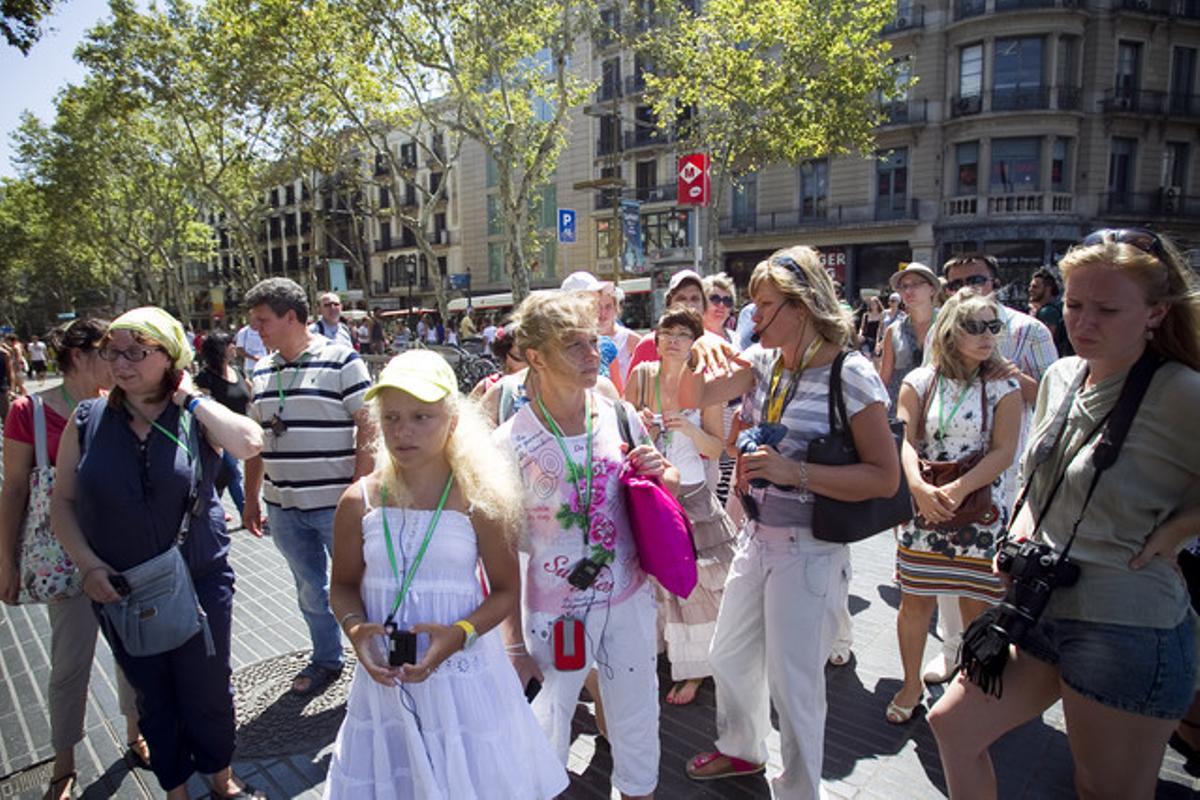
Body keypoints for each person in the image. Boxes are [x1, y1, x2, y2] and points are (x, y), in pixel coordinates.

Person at [929, 228, 1200, 799]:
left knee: (1101, 789)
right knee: (952, 725)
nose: (1083, 322)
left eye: (1107, 309)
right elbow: (1041, 476)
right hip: (1041, 603)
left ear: (1156, 313)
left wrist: (1179, 529)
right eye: (1075, 305)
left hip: (1126, 624)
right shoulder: (1060, 375)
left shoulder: (1180, 391)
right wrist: (1023, 530)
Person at [679, 246, 899, 798]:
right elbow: (689, 395)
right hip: (756, 537)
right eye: (753, 304)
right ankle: (743, 750)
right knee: (728, 653)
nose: (753, 316)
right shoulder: (763, 363)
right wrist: (699, 347)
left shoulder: (851, 374)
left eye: (765, 304)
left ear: (801, 307)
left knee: (794, 682)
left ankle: (800, 790)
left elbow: (885, 477)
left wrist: (793, 472)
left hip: (810, 549)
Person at [325, 351, 567, 799]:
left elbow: (505, 591)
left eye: (421, 416)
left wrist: (459, 634)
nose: (404, 430)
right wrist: (356, 630)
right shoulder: (359, 501)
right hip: (386, 683)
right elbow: (341, 586)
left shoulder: (479, 500)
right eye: (392, 417)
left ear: (452, 421)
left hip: (464, 679)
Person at [49, 307, 264, 800]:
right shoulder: (87, 419)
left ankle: (220, 776)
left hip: (200, 581)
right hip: (122, 588)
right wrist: (88, 565)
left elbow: (250, 443)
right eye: (112, 352)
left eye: (136, 352)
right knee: (152, 695)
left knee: (208, 688)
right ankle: (175, 788)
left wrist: (190, 397)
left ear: (170, 357)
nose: (120, 363)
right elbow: (62, 503)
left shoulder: (194, 415)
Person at [496, 291, 677, 800]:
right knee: (544, 734)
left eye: (593, 341)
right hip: (552, 615)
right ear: (536, 357)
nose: (591, 353)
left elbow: (667, 481)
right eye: (573, 345)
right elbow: (500, 551)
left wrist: (660, 471)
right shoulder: (509, 443)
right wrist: (514, 645)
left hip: (629, 599)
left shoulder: (618, 414)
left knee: (637, 721)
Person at [0, 318, 147, 800]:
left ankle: (136, 733)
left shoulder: (120, 405)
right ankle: (63, 765)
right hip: (63, 560)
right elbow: (14, 489)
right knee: (69, 663)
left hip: (122, 550)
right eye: (109, 352)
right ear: (80, 356)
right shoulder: (29, 411)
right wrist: (5, 560)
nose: (118, 362)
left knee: (132, 652)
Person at [922, 252, 1059, 685]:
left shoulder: (1029, 330)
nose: (966, 287)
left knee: (995, 570)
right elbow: (926, 388)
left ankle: (988, 652)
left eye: (976, 278)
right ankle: (952, 648)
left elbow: (1053, 400)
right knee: (947, 564)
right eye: (955, 282)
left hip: (1008, 472)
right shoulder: (941, 329)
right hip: (946, 471)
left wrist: (1009, 375)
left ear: (995, 283)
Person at [887, 288, 1022, 724]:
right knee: (915, 602)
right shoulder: (919, 381)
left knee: (975, 606)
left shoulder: (1003, 385)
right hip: (925, 508)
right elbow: (905, 441)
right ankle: (910, 685)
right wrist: (917, 488)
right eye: (974, 326)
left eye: (993, 326)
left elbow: (1004, 451)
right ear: (950, 330)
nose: (987, 335)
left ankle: (968, 688)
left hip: (979, 511)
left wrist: (960, 488)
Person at [242, 278, 375, 697]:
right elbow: (255, 439)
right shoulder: (262, 369)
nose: (256, 330)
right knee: (309, 590)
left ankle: (374, 661)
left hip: (338, 506)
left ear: (291, 317)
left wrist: (359, 491)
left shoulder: (342, 360)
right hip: (283, 507)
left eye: (263, 320)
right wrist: (250, 498)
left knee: (361, 589)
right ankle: (327, 659)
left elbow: (369, 426)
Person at [625, 306, 735, 706]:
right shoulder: (642, 375)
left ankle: (698, 669)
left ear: (694, 342)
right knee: (654, 585)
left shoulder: (704, 383)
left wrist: (688, 427)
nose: (674, 340)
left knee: (697, 587)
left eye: (683, 334)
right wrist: (640, 422)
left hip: (691, 495)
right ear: (655, 339)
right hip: (651, 495)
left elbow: (717, 448)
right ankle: (665, 654)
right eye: (667, 332)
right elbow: (620, 432)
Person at [195, 331, 252, 520]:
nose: (234, 347)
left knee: (222, 476)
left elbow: (250, 395)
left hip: (240, 432)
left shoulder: (237, 371)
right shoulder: (205, 377)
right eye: (229, 344)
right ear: (219, 349)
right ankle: (247, 512)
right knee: (232, 472)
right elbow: (202, 409)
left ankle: (211, 508)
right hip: (217, 434)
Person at [880, 262, 939, 408]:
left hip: (938, 409)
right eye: (903, 286)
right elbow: (884, 379)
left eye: (916, 284)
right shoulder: (894, 331)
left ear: (932, 289)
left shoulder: (947, 324)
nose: (908, 291)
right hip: (901, 411)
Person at [468, 326, 523, 400]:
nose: (528, 364)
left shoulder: (536, 387)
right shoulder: (486, 386)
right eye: (520, 357)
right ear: (505, 356)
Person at [1029, 266, 1072, 357]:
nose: (1030, 290)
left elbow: (1043, 343)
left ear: (1048, 289)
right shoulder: (1057, 307)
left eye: (1035, 287)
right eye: (1030, 286)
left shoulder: (1048, 312)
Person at [702, 274, 737, 342]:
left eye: (727, 301)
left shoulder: (736, 339)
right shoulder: (692, 338)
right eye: (715, 299)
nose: (722, 305)